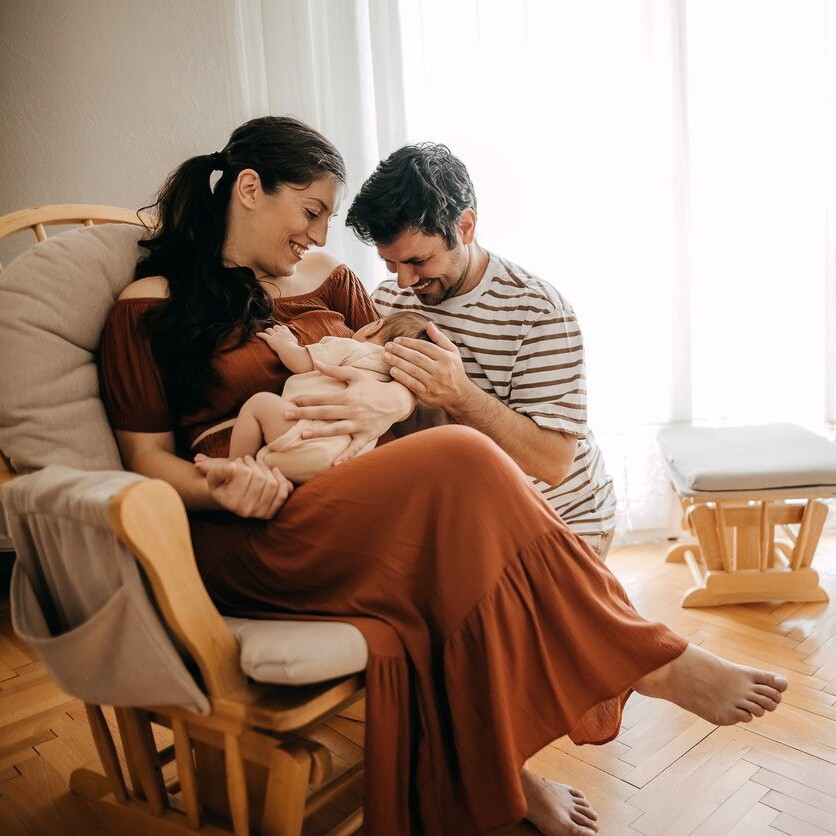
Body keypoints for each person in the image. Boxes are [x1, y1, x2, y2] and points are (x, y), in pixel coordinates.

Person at [98, 115, 787, 836]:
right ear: (248, 190)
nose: (321, 238)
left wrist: (388, 402)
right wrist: (226, 486)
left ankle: (507, 768)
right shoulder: (148, 307)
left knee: (456, 502)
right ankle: (644, 659)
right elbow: (146, 464)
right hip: (258, 526)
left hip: (371, 497)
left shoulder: (336, 285)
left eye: (328, 220)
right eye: (311, 213)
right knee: (460, 458)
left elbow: (396, 383)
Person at [343, 143, 616, 559]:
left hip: (560, 523)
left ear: (465, 227)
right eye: (389, 262)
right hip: (469, 519)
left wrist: (458, 394)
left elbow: (553, 463)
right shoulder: (386, 302)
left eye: (417, 260)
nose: (402, 282)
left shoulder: (537, 311)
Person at [194, 311, 431, 483]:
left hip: (305, 437)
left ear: (373, 326)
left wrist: (285, 342)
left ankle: (238, 463)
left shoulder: (351, 347)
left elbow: (300, 362)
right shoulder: (394, 379)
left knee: (259, 404)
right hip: (344, 461)